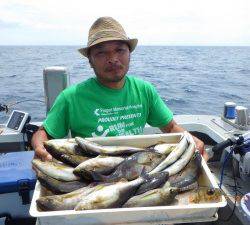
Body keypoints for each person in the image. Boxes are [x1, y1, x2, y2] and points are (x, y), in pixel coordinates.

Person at [32, 16, 208, 161]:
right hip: (91, 170)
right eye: (101, 53)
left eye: (119, 50)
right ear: (90, 60)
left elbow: (170, 128)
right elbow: (44, 133)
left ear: (129, 54)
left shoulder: (144, 90)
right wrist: (39, 148)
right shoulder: (71, 97)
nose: (113, 58)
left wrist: (191, 140)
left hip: (136, 164)